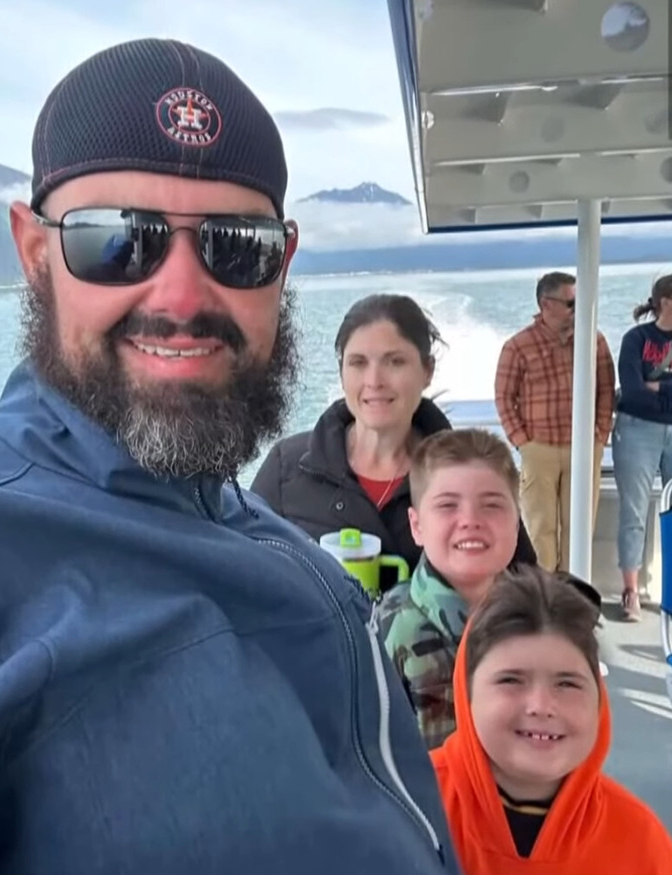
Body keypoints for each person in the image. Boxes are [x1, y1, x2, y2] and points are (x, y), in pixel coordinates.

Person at [0, 39, 461, 875]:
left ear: (284, 263)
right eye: (118, 239)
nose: (184, 297)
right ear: (34, 251)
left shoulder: (266, 532)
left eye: (238, 245)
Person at [252, 293, 536, 591]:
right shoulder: (288, 467)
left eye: (395, 362)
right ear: (341, 373)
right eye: (358, 363)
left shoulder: (471, 474)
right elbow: (243, 578)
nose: (374, 381)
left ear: (427, 371)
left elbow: (526, 586)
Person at [430, 566, 672, 874]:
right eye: (511, 680)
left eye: (567, 683)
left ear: (598, 699)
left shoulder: (641, 844)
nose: (542, 706)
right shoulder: (409, 812)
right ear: (467, 693)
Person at [379, 428, 520, 749]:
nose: (470, 520)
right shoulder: (391, 630)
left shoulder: (541, 620)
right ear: (417, 526)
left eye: (491, 505)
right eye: (447, 505)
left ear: (516, 522)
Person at [495, 271, 615, 572]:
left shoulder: (594, 340)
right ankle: (544, 599)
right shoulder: (517, 346)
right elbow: (503, 397)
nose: (578, 309)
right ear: (546, 304)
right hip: (540, 449)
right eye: (572, 303)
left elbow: (606, 390)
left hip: (585, 448)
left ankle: (574, 600)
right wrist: (522, 441)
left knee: (580, 529)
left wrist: (600, 435)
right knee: (540, 530)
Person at [613, 274, 672, 621]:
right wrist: (652, 390)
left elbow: (646, 388)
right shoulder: (636, 339)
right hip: (637, 430)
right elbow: (632, 390)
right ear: (665, 302)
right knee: (634, 512)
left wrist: (658, 387)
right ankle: (631, 592)